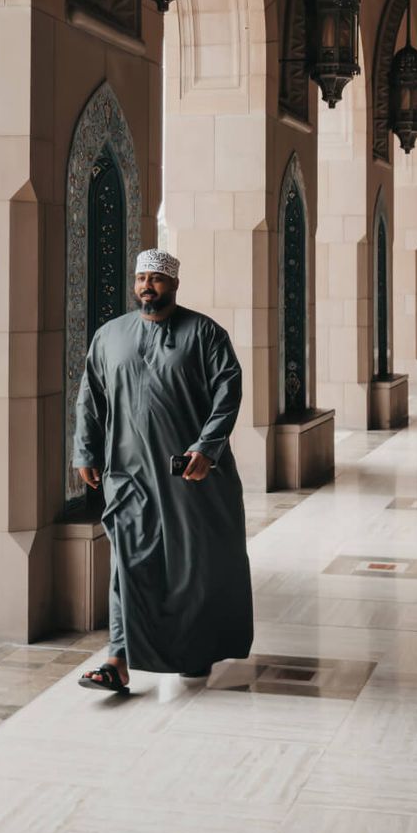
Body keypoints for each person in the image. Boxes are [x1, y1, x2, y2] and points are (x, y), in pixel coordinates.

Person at [74, 249, 253, 694]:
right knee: (129, 563)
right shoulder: (110, 336)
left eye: (155, 279)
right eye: (140, 279)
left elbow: (227, 393)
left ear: (174, 283)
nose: (146, 287)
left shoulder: (205, 333)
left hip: (190, 478)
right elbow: (90, 398)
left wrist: (207, 448)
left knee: (193, 567)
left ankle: (194, 650)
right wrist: (86, 451)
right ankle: (117, 659)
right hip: (127, 475)